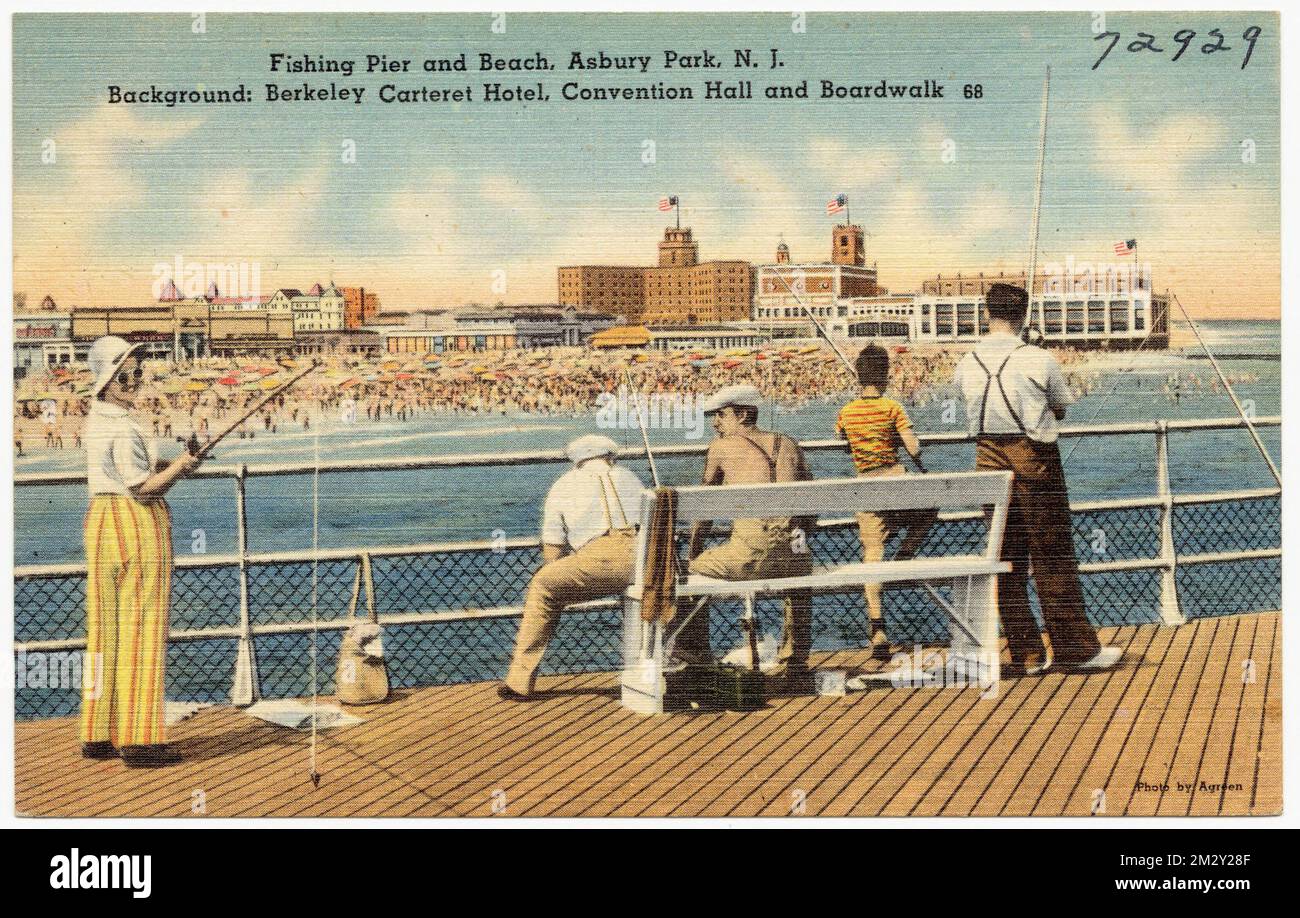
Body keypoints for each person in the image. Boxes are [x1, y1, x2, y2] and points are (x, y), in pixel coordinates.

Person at [954, 284, 1121, 675]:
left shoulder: (967, 361)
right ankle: (1074, 649)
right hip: (1035, 460)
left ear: (986, 313)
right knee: (1052, 554)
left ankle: (1026, 652)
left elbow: (966, 405)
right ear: (1024, 315)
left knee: (1006, 559)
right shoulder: (1038, 358)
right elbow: (1060, 409)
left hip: (987, 460)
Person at [80, 337, 202, 767]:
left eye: (136, 372)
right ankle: (139, 739)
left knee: (104, 630)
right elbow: (144, 488)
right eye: (124, 375)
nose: (134, 381)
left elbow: (123, 469)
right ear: (107, 380)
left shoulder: (97, 417)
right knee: (142, 630)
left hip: (100, 523)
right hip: (135, 523)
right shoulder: (126, 424)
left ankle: (96, 733)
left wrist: (172, 460)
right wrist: (180, 469)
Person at [676, 384, 814, 693]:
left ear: (742, 414)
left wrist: (694, 554)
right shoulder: (789, 444)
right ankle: (795, 660)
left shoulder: (720, 448)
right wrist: (797, 538)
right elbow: (810, 507)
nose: (715, 423)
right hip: (794, 552)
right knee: (800, 573)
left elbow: (704, 508)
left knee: (687, 574)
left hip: (749, 556)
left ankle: (696, 656)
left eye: (721, 416)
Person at [500, 434, 645, 700]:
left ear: (576, 461)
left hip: (601, 558)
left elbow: (553, 551)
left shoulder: (564, 484)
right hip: (648, 559)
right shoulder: (631, 478)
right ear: (610, 457)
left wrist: (567, 567)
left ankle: (520, 680)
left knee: (544, 586)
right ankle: (686, 663)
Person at [836, 344, 936, 662]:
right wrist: (919, 462)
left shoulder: (848, 411)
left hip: (865, 486)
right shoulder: (893, 407)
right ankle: (905, 555)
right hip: (894, 482)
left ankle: (877, 627)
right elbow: (912, 446)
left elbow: (840, 436)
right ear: (886, 375)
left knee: (873, 553)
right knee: (929, 509)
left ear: (859, 377)